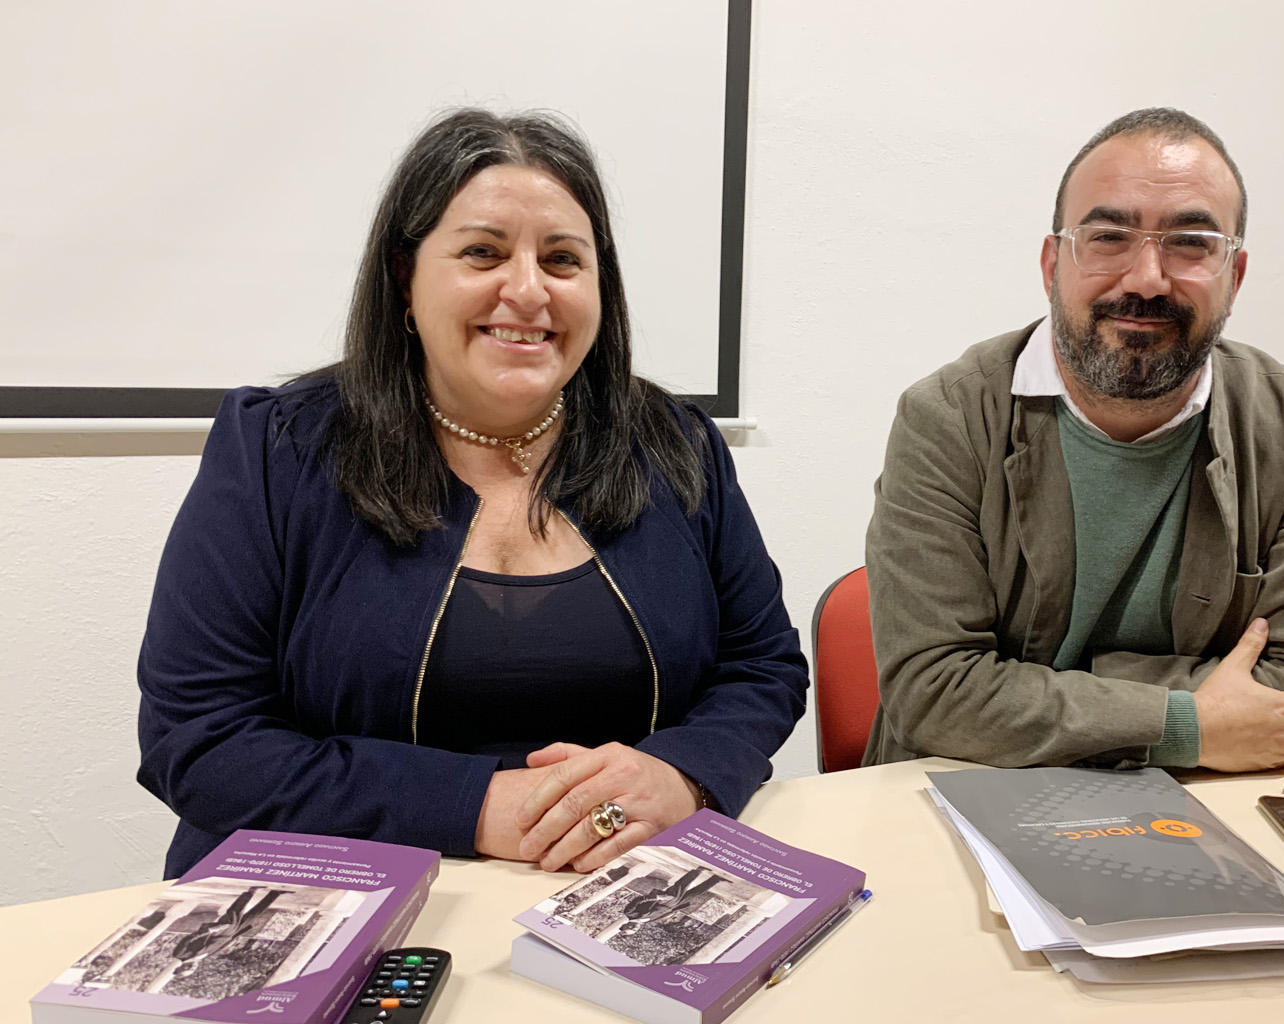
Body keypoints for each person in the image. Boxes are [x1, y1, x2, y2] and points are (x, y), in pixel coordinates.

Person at [137, 109, 807, 879]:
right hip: (332, 897)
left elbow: (763, 665)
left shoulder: (675, 444)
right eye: (483, 252)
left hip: (624, 883)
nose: (527, 291)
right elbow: (200, 739)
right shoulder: (275, 450)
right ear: (405, 279)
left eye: (562, 260)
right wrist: (487, 807)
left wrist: (682, 775)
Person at [863, 108, 1284, 773]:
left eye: (1190, 243)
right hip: (971, 786)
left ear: (1234, 277)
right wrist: (1189, 723)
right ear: (1052, 264)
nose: (1147, 279)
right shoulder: (948, 417)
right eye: (1108, 236)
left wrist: (1036, 689)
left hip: (1205, 800)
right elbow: (935, 692)